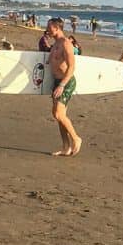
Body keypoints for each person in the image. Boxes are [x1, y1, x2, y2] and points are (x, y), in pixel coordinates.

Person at [45, 18, 82, 157]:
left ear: (56, 28)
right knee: (60, 116)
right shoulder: (55, 44)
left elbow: (71, 66)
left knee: (58, 114)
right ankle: (66, 147)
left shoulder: (66, 43)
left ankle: (76, 138)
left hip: (66, 83)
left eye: (49, 27)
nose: (47, 29)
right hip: (57, 81)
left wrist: (62, 85)